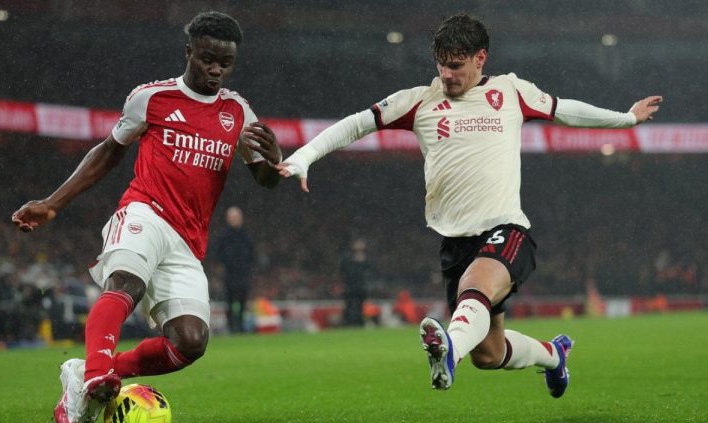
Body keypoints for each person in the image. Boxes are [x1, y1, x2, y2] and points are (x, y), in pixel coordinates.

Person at [279, 13, 661, 397]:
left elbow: (565, 109)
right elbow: (355, 124)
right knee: (490, 354)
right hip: (455, 241)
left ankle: (449, 353)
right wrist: (305, 156)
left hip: (506, 229)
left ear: (481, 58)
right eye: (442, 64)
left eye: (457, 65)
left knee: (473, 288)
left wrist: (626, 118)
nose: (447, 74)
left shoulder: (511, 92)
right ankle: (553, 355)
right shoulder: (418, 101)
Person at [11, 11, 282, 423]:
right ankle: (98, 373)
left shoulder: (238, 112)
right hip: (145, 211)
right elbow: (108, 150)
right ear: (189, 51)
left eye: (224, 63)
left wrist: (275, 160)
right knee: (126, 284)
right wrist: (53, 203)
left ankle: (84, 374)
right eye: (208, 58)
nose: (215, 69)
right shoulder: (151, 97)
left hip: (189, 241)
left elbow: (264, 179)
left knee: (190, 343)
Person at [214, 206, 254, 333]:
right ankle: (231, 327)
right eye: (233, 217)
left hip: (243, 273)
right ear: (228, 219)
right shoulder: (223, 236)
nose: (235, 220)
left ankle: (241, 326)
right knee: (230, 301)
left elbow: (252, 253)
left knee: (243, 300)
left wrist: (246, 265)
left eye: (237, 217)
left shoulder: (246, 235)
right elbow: (218, 254)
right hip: (230, 274)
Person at [339, 238, 370, 327]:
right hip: (350, 287)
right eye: (358, 243)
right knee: (349, 306)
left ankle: (359, 323)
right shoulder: (348, 257)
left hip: (361, 287)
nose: (360, 246)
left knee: (360, 306)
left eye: (361, 243)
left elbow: (371, 271)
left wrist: (363, 262)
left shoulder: (366, 257)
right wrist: (356, 262)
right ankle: (347, 323)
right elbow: (345, 271)